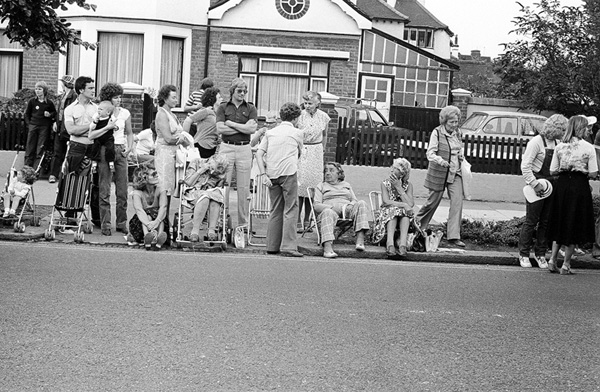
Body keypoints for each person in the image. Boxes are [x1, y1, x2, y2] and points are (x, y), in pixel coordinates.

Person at [546, 115, 598, 274]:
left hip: (562, 186)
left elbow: (552, 170)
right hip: (579, 186)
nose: (588, 130)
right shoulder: (588, 148)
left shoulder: (560, 147)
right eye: (586, 127)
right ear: (581, 128)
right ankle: (566, 264)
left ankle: (552, 259)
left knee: (560, 221)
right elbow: (593, 173)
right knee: (574, 223)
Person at [517, 114, 568, 268]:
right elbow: (525, 166)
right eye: (563, 129)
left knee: (546, 222)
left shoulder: (559, 142)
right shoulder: (536, 142)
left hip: (552, 185)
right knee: (531, 221)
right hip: (537, 184)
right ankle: (523, 254)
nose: (565, 132)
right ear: (557, 128)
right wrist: (534, 184)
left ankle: (540, 254)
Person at [256, 102, 304, 257]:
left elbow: (258, 153)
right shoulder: (297, 133)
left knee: (276, 209)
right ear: (296, 118)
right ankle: (289, 246)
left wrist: (263, 174)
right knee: (291, 209)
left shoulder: (271, 133)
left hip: (271, 174)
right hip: (288, 173)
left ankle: (272, 246)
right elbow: (300, 153)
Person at [415, 105, 466, 247]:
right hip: (439, 172)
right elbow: (430, 153)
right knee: (432, 203)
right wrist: (441, 161)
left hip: (455, 173)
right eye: (451, 122)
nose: (454, 125)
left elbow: (459, 148)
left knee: (457, 202)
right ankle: (416, 225)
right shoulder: (437, 133)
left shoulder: (458, 133)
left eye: (456, 122)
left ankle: (453, 236)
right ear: (444, 121)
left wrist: (461, 155)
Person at [89, 83, 133, 236]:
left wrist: (130, 147)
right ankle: (105, 224)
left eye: (120, 97)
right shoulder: (100, 113)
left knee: (122, 190)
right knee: (104, 188)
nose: (119, 100)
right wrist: (106, 128)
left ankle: (122, 222)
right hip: (104, 151)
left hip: (120, 150)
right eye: (115, 97)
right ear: (108, 99)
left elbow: (129, 132)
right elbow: (91, 134)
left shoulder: (125, 113)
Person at [216, 78, 258, 228]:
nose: (242, 94)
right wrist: (243, 127)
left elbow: (252, 130)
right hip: (226, 147)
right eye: (239, 91)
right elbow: (220, 129)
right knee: (223, 185)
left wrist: (231, 124)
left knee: (243, 188)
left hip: (244, 148)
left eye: (245, 91)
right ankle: (222, 222)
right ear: (232, 91)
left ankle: (243, 225)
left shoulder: (251, 108)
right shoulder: (222, 107)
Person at [313, 162, 370, 258]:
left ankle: (360, 241)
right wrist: (330, 207)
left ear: (339, 173)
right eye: (325, 171)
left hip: (347, 209)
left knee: (362, 203)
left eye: (331, 170)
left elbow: (354, 200)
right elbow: (316, 205)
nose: (327, 173)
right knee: (327, 212)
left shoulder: (346, 185)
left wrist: (351, 205)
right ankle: (327, 248)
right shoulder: (321, 186)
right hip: (331, 211)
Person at [297, 91, 331, 232]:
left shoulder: (324, 117)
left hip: (316, 152)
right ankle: (298, 220)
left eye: (310, 103)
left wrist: (322, 148)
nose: (307, 106)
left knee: (312, 187)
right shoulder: (299, 116)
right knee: (301, 185)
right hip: (303, 151)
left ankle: (307, 220)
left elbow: (324, 134)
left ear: (318, 103)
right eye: (305, 103)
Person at [371, 158, 415, 258]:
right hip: (387, 212)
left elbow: (411, 204)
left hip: (403, 213)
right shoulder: (385, 183)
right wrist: (403, 205)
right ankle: (389, 243)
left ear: (402, 172)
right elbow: (386, 202)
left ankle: (402, 245)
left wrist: (399, 188)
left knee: (405, 214)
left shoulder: (408, 185)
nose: (391, 170)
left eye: (394, 168)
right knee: (394, 211)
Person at [182, 153, 229, 243]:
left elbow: (218, 188)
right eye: (212, 169)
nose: (212, 172)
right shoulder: (196, 162)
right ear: (211, 159)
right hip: (193, 192)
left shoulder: (220, 173)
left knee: (215, 198)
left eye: (215, 171)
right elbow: (188, 183)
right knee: (205, 197)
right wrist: (201, 170)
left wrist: (217, 176)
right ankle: (194, 231)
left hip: (211, 195)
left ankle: (211, 230)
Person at [154, 84, 189, 196]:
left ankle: (166, 212)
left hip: (174, 154)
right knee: (165, 187)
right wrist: (181, 139)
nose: (176, 100)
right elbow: (168, 138)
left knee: (171, 186)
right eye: (173, 97)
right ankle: (162, 212)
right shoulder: (161, 114)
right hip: (165, 154)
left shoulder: (172, 114)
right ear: (165, 99)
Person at [128, 166, 170, 250]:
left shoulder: (161, 190)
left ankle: (158, 238)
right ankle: (147, 237)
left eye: (156, 173)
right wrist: (149, 224)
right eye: (153, 174)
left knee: (158, 214)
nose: (157, 176)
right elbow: (139, 210)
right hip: (141, 223)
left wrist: (156, 222)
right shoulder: (137, 193)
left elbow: (163, 207)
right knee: (147, 214)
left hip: (158, 222)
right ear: (144, 177)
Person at [49, 75, 77, 183]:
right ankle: (53, 174)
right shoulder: (62, 96)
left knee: (68, 152)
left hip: (68, 126)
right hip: (60, 126)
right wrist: (56, 122)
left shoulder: (74, 96)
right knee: (57, 151)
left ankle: (66, 175)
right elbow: (59, 112)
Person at [182, 86, 222, 158]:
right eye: (219, 98)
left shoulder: (216, 113)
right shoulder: (206, 111)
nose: (221, 99)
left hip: (211, 147)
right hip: (202, 146)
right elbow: (188, 121)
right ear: (212, 99)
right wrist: (186, 139)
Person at [24, 81, 56, 169]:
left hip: (44, 127)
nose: (37, 91)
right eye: (36, 89)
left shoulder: (49, 103)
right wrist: (29, 125)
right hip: (33, 125)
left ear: (44, 90)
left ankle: (36, 169)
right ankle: (27, 168)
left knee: (40, 148)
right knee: (30, 147)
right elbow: (27, 114)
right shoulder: (32, 101)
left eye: (39, 89)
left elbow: (54, 113)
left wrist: (49, 114)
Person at [250, 110, 278, 186]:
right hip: (263, 156)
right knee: (257, 160)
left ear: (276, 123)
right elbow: (252, 144)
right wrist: (259, 134)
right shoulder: (263, 131)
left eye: (270, 123)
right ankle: (255, 183)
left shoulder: (278, 132)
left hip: (274, 157)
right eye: (267, 123)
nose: (268, 125)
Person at [89, 100, 116, 173]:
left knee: (110, 147)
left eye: (101, 109)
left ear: (108, 112)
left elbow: (114, 124)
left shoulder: (111, 118)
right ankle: (94, 162)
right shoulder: (96, 116)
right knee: (95, 147)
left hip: (108, 137)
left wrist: (115, 127)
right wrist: (95, 122)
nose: (99, 110)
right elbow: (91, 127)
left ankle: (111, 161)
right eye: (98, 108)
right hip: (98, 137)